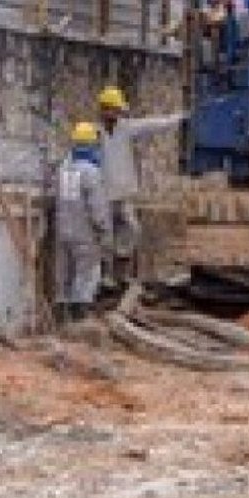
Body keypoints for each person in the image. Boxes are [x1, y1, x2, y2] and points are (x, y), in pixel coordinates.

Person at [95, 86, 185, 284]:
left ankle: (121, 271)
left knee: (132, 229)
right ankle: (105, 276)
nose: (115, 114)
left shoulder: (126, 128)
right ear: (104, 109)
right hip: (103, 193)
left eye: (117, 110)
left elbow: (152, 125)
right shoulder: (95, 133)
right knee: (103, 234)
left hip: (123, 192)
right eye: (112, 110)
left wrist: (178, 119)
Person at [54, 122, 112, 324]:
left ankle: (61, 319)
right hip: (85, 234)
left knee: (64, 274)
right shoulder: (91, 172)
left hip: (63, 231)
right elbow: (98, 209)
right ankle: (80, 321)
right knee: (87, 275)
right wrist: (104, 231)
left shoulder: (63, 170)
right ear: (92, 144)